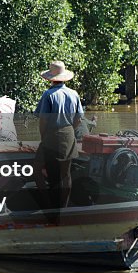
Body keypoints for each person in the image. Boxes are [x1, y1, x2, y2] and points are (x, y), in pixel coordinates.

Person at [34, 61, 83, 213]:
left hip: (51, 134)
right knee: (65, 173)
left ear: (51, 79)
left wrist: (44, 138)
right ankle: (64, 206)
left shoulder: (48, 95)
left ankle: (48, 204)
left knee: (37, 168)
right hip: (69, 134)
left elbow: (43, 120)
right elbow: (78, 119)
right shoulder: (74, 94)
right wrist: (69, 131)